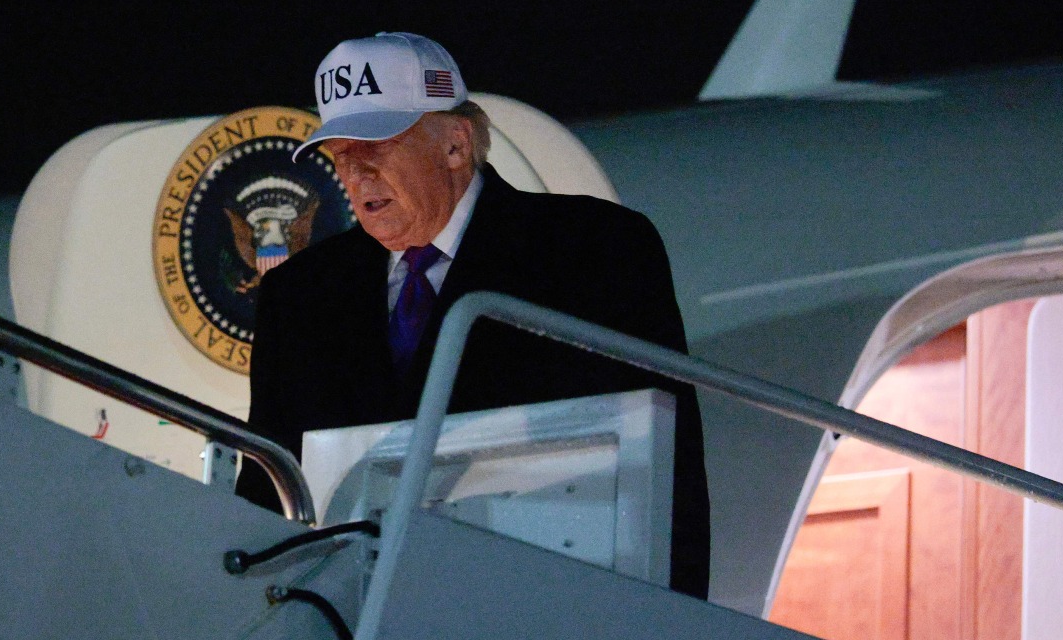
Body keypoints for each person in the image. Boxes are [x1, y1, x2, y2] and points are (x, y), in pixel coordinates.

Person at [236, 32, 710, 598]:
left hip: (546, 607)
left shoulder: (595, 250)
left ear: (456, 144)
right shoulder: (300, 294)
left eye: (375, 150)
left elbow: (666, 469)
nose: (356, 177)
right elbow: (266, 493)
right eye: (340, 156)